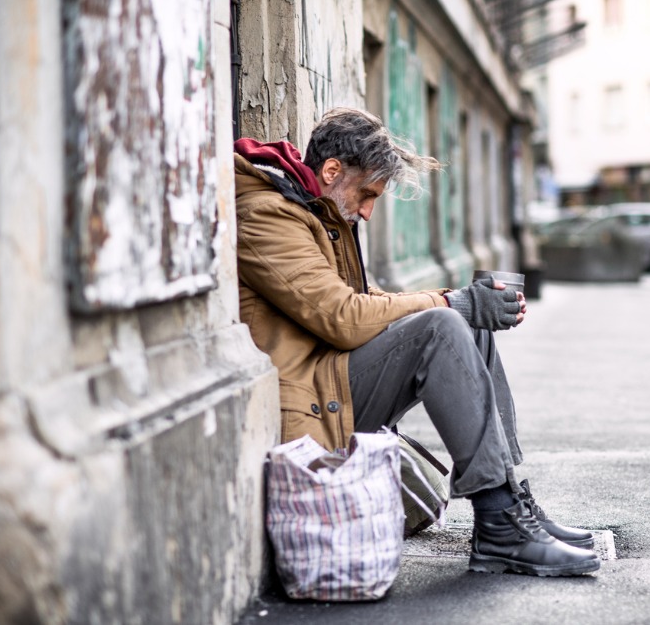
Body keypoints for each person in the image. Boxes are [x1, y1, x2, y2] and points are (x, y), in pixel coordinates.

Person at [233, 107, 599, 577]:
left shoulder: (311, 207)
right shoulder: (267, 214)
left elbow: (359, 300)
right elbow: (341, 317)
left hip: (334, 380)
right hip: (310, 399)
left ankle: (510, 504)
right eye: (367, 194)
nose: (367, 210)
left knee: (465, 323)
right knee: (442, 325)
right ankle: (500, 529)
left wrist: (461, 303)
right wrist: (447, 303)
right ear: (331, 171)